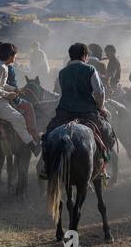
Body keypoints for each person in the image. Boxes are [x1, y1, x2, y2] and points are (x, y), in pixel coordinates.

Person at [40, 43, 115, 179]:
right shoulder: (91, 69)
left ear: (70, 56)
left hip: (65, 113)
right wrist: (101, 108)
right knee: (107, 133)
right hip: (87, 113)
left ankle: (46, 166)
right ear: (85, 56)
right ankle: (102, 166)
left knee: (48, 135)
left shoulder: (62, 72)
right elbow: (99, 92)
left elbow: (62, 94)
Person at [0, 43, 40, 155]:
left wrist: (15, 89)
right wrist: (8, 95)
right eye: (15, 55)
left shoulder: (2, 66)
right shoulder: (1, 68)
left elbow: (1, 85)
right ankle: (32, 145)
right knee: (18, 118)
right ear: (10, 55)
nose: (15, 57)